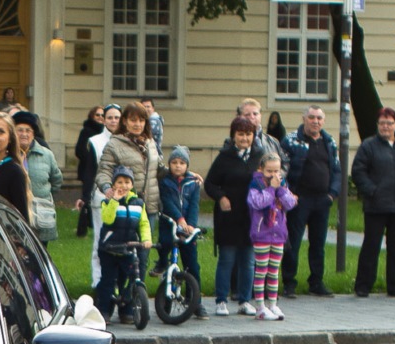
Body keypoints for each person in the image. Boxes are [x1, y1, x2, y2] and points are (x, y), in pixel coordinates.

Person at [350, 107, 395, 297]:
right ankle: (363, 286)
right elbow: (358, 171)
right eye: (382, 123)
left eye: (389, 123)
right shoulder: (368, 146)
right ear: (377, 125)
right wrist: (371, 190)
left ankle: (394, 286)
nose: (386, 127)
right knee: (371, 247)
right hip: (376, 206)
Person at [204, 117, 266, 316]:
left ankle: (245, 300)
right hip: (229, 217)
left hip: (251, 217)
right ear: (233, 136)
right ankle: (221, 300)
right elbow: (210, 184)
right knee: (227, 259)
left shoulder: (259, 156)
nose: (244, 138)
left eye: (248, 134)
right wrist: (221, 197)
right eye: (240, 134)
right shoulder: (224, 157)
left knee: (248, 261)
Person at [97, 103, 160, 285]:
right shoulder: (115, 144)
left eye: (141, 120)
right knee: (124, 257)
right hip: (125, 208)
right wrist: (108, 189)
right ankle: (120, 293)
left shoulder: (150, 142)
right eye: (133, 120)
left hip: (148, 206)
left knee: (143, 255)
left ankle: (137, 295)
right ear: (124, 121)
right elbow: (104, 171)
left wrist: (186, 174)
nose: (137, 124)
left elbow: (158, 169)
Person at [282, 106, 340, 297]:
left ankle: (316, 282)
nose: (315, 121)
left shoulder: (329, 141)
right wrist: (288, 194)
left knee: (318, 244)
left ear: (323, 121)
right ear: (304, 119)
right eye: (311, 117)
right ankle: (289, 282)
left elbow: (337, 170)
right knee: (293, 243)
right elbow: (281, 170)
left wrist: (332, 194)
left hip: (322, 200)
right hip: (299, 200)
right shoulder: (291, 140)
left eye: (319, 118)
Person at [93, 165, 151, 322]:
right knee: (108, 280)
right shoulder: (108, 202)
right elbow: (107, 219)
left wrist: (146, 239)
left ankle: (127, 309)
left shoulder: (138, 203)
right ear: (113, 185)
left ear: (132, 185)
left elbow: (143, 223)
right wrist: (114, 201)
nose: (123, 186)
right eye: (119, 182)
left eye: (127, 182)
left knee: (130, 277)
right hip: (110, 248)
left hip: (128, 248)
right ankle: (104, 310)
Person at [248, 152, 296, 321]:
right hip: (262, 234)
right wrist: (271, 189)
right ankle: (260, 307)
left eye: (276, 171)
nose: (273, 175)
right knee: (261, 271)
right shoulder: (255, 184)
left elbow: (290, 203)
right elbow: (258, 203)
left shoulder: (282, 184)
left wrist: (280, 190)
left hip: (278, 234)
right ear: (261, 169)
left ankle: (273, 304)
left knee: (274, 271)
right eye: (269, 171)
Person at [156, 146, 203, 316]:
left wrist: (191, 225)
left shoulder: (192, 183)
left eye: (182, 163)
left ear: (187, 165)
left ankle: (195, 302)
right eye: (174, 162)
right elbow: (168, 202)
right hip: (170, 224)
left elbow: (194, 205)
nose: (178, 166)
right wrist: (179, 219)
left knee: (192, 266)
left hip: (187, 227)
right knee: (165, 245)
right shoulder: (165, 182)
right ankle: (162, 265)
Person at [12, 111, 62, 243]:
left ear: (33, 134)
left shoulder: (46, 155)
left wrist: (43, 194)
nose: (24, 134)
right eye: (20, 130)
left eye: (28, 131)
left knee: (40, 250)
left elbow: (56, 180)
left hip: (41, 215)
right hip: (14, 212)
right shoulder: (7, 155)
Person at [74, 105, 106, 235]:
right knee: (86, 197)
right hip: (88, 169)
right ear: (92, 116)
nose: (100, 117)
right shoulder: (86, 131)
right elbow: (79, 150)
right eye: (97, 115)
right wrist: (90, 158)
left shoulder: (106, 132)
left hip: (102, 170)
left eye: (102, 115)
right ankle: (83, 226)